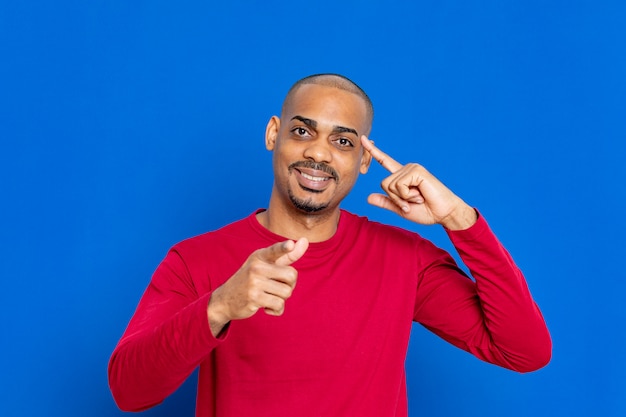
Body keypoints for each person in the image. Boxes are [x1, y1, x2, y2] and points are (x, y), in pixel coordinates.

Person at [108, 74, 551, 417]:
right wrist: (219, 306)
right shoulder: (196, 259)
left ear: (362, 161)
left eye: (342, 141)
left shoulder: (404, 259)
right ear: (273, 135)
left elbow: (524, 350)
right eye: (303, 132)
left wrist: (459, 219)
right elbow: (129, 390)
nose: (319, 154)